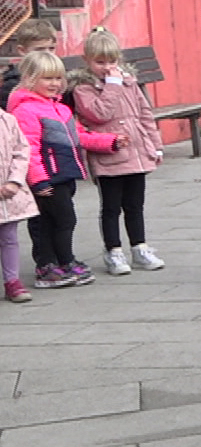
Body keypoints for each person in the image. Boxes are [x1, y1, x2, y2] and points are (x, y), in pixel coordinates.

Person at [10, 51, 122, 289]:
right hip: (47, 178)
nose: (54, 84)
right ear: (30, 79)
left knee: (53, 221)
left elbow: (78, 136)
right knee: (61, 220)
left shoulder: (61, 109)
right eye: (47, 78)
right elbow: (29, 148)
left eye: (58, 78)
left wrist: (109, 142)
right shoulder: (25, 111)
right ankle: (56, 263)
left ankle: (55, 264)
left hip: (64, 175)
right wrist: (38, 180)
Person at [70, 28, 165, 276]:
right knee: (111, 207)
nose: (106, 67)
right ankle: (113, 250)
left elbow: (145, 114)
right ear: (87, 61)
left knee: (135, 205)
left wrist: (154, 145)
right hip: (108, 155)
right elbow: (100, 113)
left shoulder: (128, 83)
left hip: (135, 153)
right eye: (100, 62)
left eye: (111, 61)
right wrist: (112, 86)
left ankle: (139, 247)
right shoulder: (84, 89)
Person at [0, 98, 34, 302]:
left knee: (9, 237)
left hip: (7, 193)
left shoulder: (7, 120)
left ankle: (12, 281)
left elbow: (21, 152)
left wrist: (14, 181)